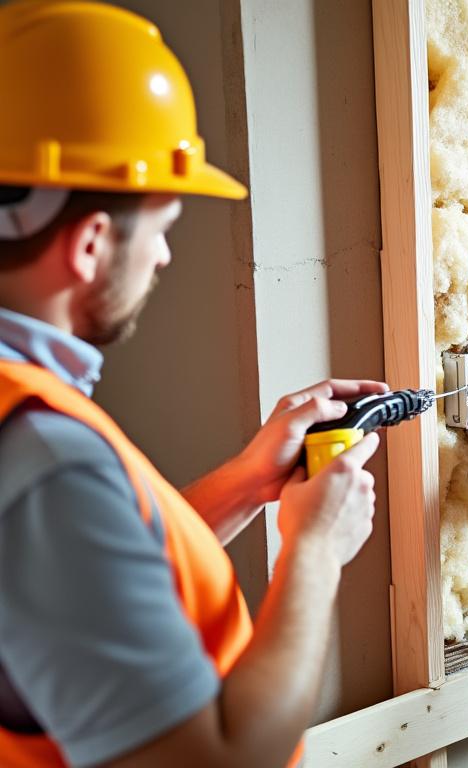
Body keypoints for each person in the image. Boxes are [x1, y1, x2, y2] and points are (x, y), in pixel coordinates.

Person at [0, 3, 384, 765]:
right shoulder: (44, 459)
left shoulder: (25, 420)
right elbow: (220, 760)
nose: (165, 258)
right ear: (90, 243)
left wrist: (247, 482)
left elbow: (96, 592)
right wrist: (315, 549)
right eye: (164, 226)